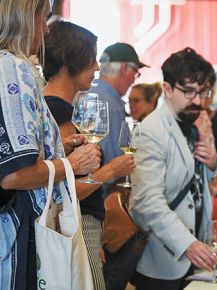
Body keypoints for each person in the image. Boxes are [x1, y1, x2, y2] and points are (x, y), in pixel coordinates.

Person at [0, 1, 101, 289]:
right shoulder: (14, 68)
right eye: (43, 18)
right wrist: (72, 164)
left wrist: (58, 150)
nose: (45, 30)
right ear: (22, 17)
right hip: (20, 234)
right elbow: (14, 175)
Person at [42, 17, 135, 290]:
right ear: (68, 60)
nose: (97, 67)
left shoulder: (66, 109)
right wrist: (111, 171)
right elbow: (62, 191)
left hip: (83, 227)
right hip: (72, 227)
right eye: (91, 59)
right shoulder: (55, 111)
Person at [129, 47, 217, 290]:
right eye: (189, 92)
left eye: (203, 92)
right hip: (163, 261)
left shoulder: (190, 123)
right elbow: (147, 201)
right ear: (167, 89)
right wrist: (187, 243)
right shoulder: (152, 130)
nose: (199, 101)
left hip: (194, 254)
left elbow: (193, 179)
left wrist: (212, 163)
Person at [88, 42, 147, 195]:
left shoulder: (89, 93)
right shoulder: (111, 104)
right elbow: (116, 166)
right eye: (135, 72)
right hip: (102, 198)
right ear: (124, 68)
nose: (134, 80)